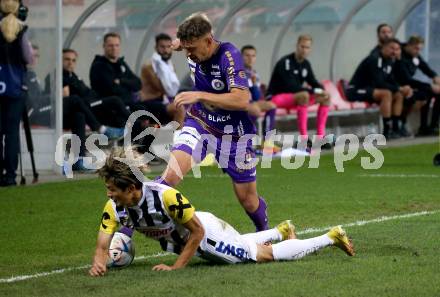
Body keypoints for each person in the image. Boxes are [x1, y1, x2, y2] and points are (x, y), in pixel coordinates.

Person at [89, 147, 355, 276]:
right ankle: (279, 230)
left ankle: (331, 236)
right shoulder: (114, 207)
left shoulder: (166, 197)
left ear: (132, 187)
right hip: (195, 236)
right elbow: (103, 243)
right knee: (241, 244)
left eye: (113, 189)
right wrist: (98, 263)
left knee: (260, 256)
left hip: (206, 235)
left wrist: (176, 266)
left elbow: (198, 231)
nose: (109, 194)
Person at [159, 12, 269, 232]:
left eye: (192, 49)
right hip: (199, 123)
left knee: (248, 199)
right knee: (170, 176)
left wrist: (200, 95)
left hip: (233, 134)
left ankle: (264, 232)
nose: (188, 54)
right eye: (186, 48)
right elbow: (199, 19)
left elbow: (242, 99)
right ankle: (125, 230)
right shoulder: (193, 45)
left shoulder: (229, 55)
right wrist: (179, 43)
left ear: (208, 41)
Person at [266, 34, 332, 148]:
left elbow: (313, 81)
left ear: (310, 49)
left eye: (307, 47)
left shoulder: (306, 64)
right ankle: (303, 139)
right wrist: (313, 90)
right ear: (297, 46)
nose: (304, 50)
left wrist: (322, 90)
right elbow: (290, 86)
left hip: (296, 99)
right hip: (277, 97)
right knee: (304, 95)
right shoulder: (286, 62)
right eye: (302, 46)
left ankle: (320, 138)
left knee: (326, 97)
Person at [346, 38, 413, 139]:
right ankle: (386, 131)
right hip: (356, 90)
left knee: (399, 95)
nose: (394, 51)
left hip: (371, 90)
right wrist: (398, 88)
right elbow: (379, 82)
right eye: (392, 48)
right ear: (384, 47)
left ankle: (396, 128)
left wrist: (401, 88)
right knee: (386, 93)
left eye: (397, 49)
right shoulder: (375, 58)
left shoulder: (390, 60)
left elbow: (390, 79)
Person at [0, 0, 33, 187]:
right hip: (14, 87)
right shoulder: (20, 30)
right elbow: (28, 57)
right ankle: (10, 175)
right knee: (12, 133)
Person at [63, 48, 130, 129]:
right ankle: (137, 124)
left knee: (116, 109)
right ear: (60, 60)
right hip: (85, 106)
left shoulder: (74, 76)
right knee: (115, 100)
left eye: (73, 60)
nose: (70, 63)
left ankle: (125, 132)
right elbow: (66, 98)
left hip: (93, 101)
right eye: (67, 59)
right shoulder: (59, 77)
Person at [140, 33, 186, 127]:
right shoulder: (149, 66)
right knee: (179, 108)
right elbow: (165, 89)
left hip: (162, 102)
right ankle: (177, 140)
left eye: (168, 47)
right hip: (149, 103)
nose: (165, 50)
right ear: (156, 48)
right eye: (162, 47)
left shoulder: (169, 65)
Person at [241, 45, 279, 154]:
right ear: (241, 57)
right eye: (247, 55)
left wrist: (253, 85)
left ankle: (267, 142)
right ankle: (245, 144)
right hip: (237, 103)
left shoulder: (254, 73)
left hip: (250, 102)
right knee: (254, 110)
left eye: (253, 56)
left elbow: (257, 97)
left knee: (271, 105)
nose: (250, 58)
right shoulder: (237, 71)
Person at [398, 36, 440, 136]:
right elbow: (406, 79)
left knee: (436, 93)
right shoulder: (400, 55)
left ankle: (432, 126)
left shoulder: (415, 56)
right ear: (408, 45)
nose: (418, 51)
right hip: (400, 87)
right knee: (427, 92)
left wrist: (435, 77)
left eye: (420, 49)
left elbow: (425, 68)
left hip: (410, 86)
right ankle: (422, 127)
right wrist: (430, 86)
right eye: (416, 48)